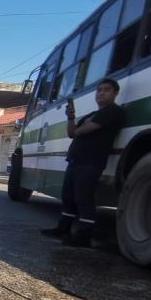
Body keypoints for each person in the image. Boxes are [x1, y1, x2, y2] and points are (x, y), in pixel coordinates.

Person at [41, 78, 125, 247]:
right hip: (76, 160)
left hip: (91, 161)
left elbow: (85, 130)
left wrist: (79, 129)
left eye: (106, 90)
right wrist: (71, 117)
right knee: (68, 195)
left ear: (115, 93)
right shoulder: (92, 114)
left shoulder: (113, 111)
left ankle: (84, 235)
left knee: (83, 197)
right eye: (99, 90)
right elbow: (72, 133)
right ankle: (64, 227)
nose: (101, 93)